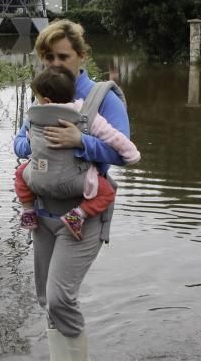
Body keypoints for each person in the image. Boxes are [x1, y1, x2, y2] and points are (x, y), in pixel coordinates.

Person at [13, 19, 132, 361]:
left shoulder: (102, 99)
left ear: (82, 56)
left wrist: (81, 141)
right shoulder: (42, 93)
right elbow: (19, 140)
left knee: (61, 297)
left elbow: (123, 153)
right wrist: (29, 143)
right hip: (43, 214)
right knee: (45, 297)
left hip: (82, 214)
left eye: (63, 56)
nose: (56, 64)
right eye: (48, 57)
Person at [14, 66, 139, 241]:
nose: (37, 102)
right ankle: (77, 216)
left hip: (39, 175)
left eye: (37, 98)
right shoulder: (82, 113)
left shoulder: (35, 116)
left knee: (20, 173)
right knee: (107, 191)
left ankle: (28, 210)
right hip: (74, 181)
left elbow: (24, 141)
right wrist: (132, 153)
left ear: (46, 100)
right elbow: (113, 137)